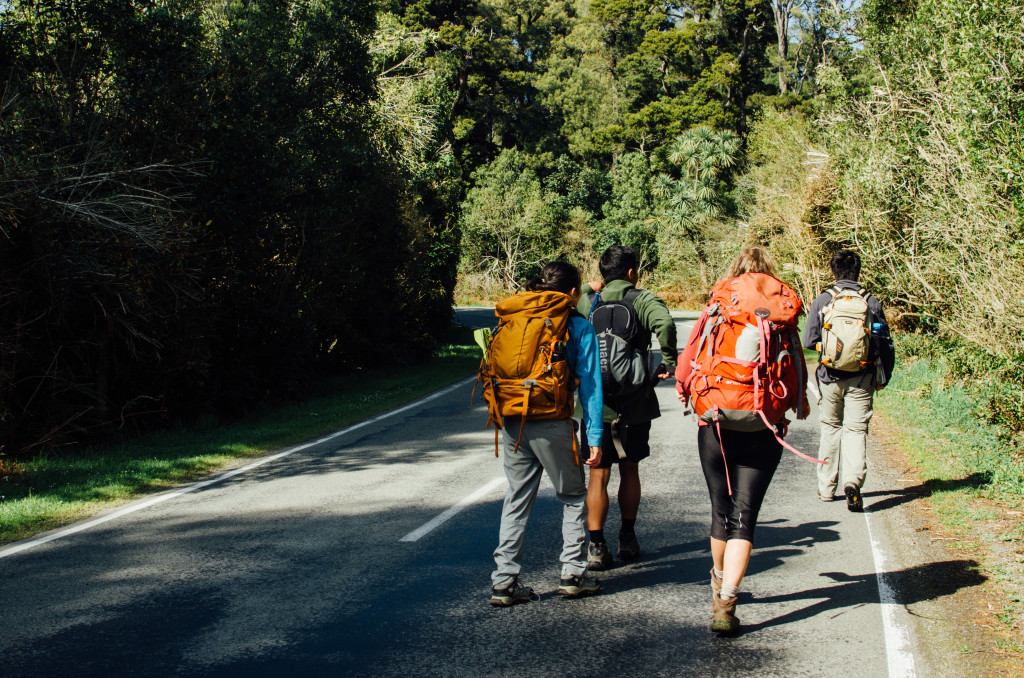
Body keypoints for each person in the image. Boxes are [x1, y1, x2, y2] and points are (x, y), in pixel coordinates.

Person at [676, 245, 796, 634]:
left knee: (720, 509)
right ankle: (726, 601)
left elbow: (692, 352)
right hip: (763, 420)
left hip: (716, 418)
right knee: (746, 514)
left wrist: (684, 389)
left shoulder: (720, 302)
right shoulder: (780, 307)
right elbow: (793, 362)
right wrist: (794, 403)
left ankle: (716, 576)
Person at [489, 261, 605, 606]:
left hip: (513, 418)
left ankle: (504, 582)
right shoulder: (577, 325)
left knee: (516, 498)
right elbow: (591, 386)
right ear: (572, 292)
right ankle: (573, 574)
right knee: (571, 496)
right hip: (553, 420)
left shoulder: (514, 318)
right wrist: (594, 436)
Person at [576, 245, 677, 570]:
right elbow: (665, 324)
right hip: (634, 403)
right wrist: (668, 361)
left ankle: (596, 546)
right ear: (632, 272)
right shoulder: (643, 299)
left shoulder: (588, 300)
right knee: (630, 468)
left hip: (595, 404)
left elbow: (565, 300)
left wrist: (589, 287)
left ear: (602, 273)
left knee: (598, 475)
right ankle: (628, 538)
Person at [802, 249, 896, 512]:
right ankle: (852, 481)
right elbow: (884, 344)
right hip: (862, 378)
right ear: (858, 271)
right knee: (855, 431)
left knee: (830, 429)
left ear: (834, 271)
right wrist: (884, 375)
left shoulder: (823, 300)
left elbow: (809, 341)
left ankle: (826, 488)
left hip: (829, 377)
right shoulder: (871, 302)